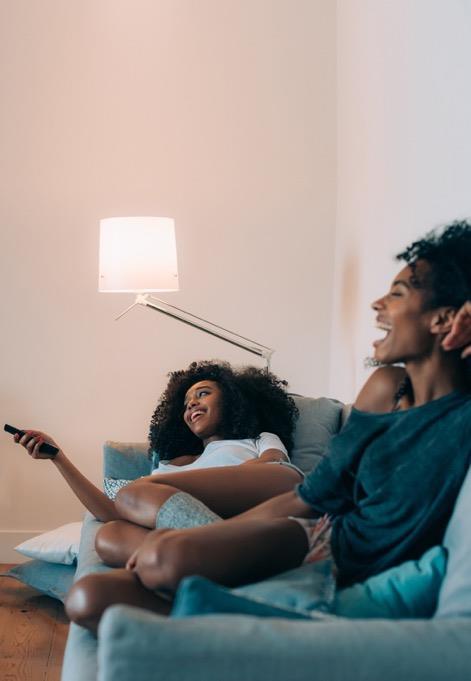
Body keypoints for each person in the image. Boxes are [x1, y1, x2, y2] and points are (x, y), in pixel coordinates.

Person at [63, 221, 470, 632]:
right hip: (315, 537)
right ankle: (223, 602)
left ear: (445, 318)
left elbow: (281, 475)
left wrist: (191, 545)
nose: (377, 304)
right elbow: (311, 497)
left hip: (352, 573)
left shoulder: (461, 417)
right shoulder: (385, 388)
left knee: (157, 558)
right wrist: (210, 541)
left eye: (397, 293)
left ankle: (233, 611)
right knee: (88, 597)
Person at [13, 362, 301, 550]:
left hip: (252, 495)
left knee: (135, 493)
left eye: (202, 394)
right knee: (110, 537)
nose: (192, 405)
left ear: (233, 400)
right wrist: (59, 457)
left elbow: (276, 465)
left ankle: (215, 546)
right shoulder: (172, 466)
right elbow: (111, 513)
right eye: (186, 404)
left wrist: (152, 489)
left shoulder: (257, 440)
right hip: (188, 525)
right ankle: (219, 547)